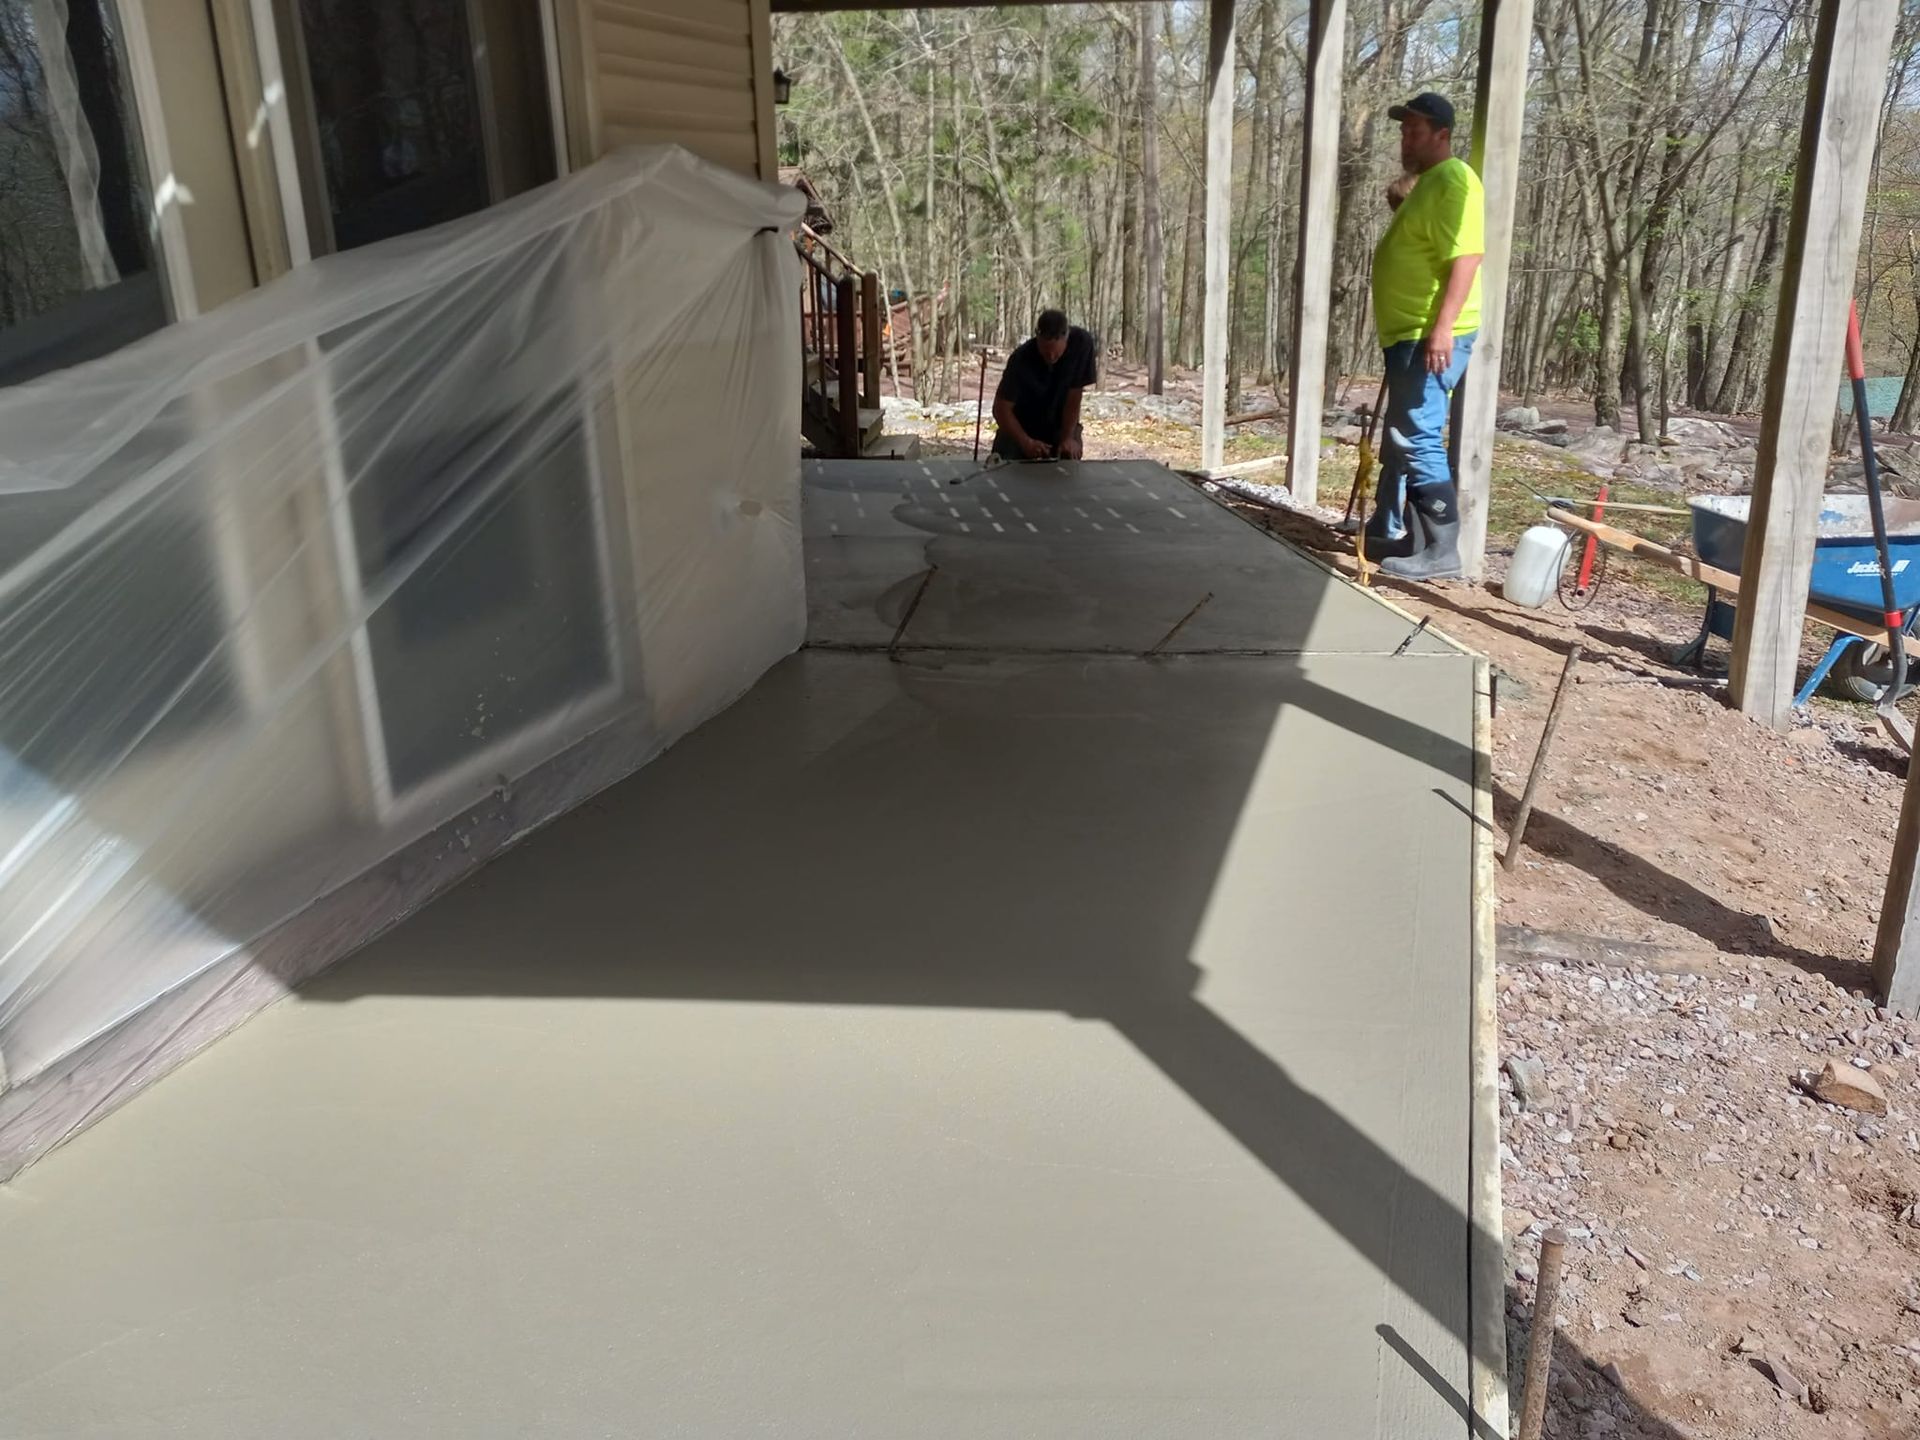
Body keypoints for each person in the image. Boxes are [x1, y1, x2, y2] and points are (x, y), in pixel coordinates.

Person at [1365, 93, 1484, 580]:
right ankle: (1407, 537)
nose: (1405, 139)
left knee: (1416, 435)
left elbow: (1467, 257)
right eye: (1403, 131)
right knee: (1403, 437)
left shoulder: (1455, 179)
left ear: (1442, 135)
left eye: (1415, 131)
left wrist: (1441, 329)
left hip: (1429, 335)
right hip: (1408, 334)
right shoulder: (1431, 184)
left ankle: (1442, 551)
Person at [991, 309, 1097, 461]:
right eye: (1046, 352)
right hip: (1022, 424)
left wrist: (1068, 437)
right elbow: (1001, 409)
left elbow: (1074, 395)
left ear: (1066, 337)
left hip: (1060, 422)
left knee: (1069, 455)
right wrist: (1026, 442)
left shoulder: (1081, 344)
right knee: (1005, 464)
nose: (1051, 357)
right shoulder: (1020, 359)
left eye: (1056, 353)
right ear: (1037, 338)